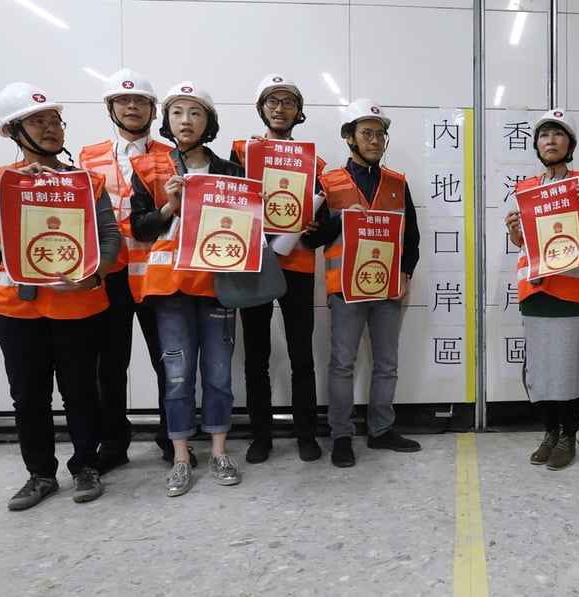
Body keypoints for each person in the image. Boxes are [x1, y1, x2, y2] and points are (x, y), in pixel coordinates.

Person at [0, 82, 120, 509]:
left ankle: (85, 466)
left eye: (54, 121)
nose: (50, 129)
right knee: (28, 395)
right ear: (11, 131)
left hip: (78, 305)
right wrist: (7, 187)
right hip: (15, 309)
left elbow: (109, 237)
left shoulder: (86, 181)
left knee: (81, 390)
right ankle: (40, 474)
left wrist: (94, 276)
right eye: (37, 121)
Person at [129, 81, 244, 496]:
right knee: (177, 376)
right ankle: (180, 458)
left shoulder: (230, 171)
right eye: (178, 112)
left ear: (208, 122)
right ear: (167, 120)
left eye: (195, 113)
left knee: (217, 374)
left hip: (217, 286)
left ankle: (218, 451)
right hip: (170, 289)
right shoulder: (151, 169)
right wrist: (169, 207)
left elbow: (247, 228)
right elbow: (138, 228)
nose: (186, 121)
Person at [78, 68, 193, 473]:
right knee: (109, 365)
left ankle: (172, 438)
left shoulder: (170, 155)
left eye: (140, 101)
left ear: (151, 109)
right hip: (108, 277)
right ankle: (113, 442)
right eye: (124, 101)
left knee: (168, 362)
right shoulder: (88, 157)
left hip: (155, 275)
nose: (132, 107)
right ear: (110, 108)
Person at [312, 98, 421, 468]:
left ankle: (380, 431)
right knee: (342, 363)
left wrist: (406, 272)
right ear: (349, 138)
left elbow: (412, 238)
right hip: (345, 287)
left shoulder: (397, 183)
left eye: (380, 134)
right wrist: (341, 219)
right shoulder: (329, 182)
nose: (375, 140)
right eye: (367, 133)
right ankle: (341, 436)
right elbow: (311, 238)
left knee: (387, 363)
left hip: (388, 287)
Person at [230, 74, 325, 464]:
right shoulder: (240, 152)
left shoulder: (313, 160)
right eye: (273, 101)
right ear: (261, 108)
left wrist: (316, 227)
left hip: (298, 263)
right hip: (254, 261)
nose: (280, 108)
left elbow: (325, 221)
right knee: (257, 355)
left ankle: (306, 433)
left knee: (302, 353)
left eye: (288, 102)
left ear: (299, 112)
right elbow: (228, 202)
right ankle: (261, 436)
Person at [504, 109, 579, 471]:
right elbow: (522, 242)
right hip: (537, 290)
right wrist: (513, 228)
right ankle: (550, 431)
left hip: (573, 289)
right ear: (536, 145)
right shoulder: (526, 189)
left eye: (558, 135)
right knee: (540, 371)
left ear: (571, 144)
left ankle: (569, 436)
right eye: (544, 135)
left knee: (569, 367)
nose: (550, 141)